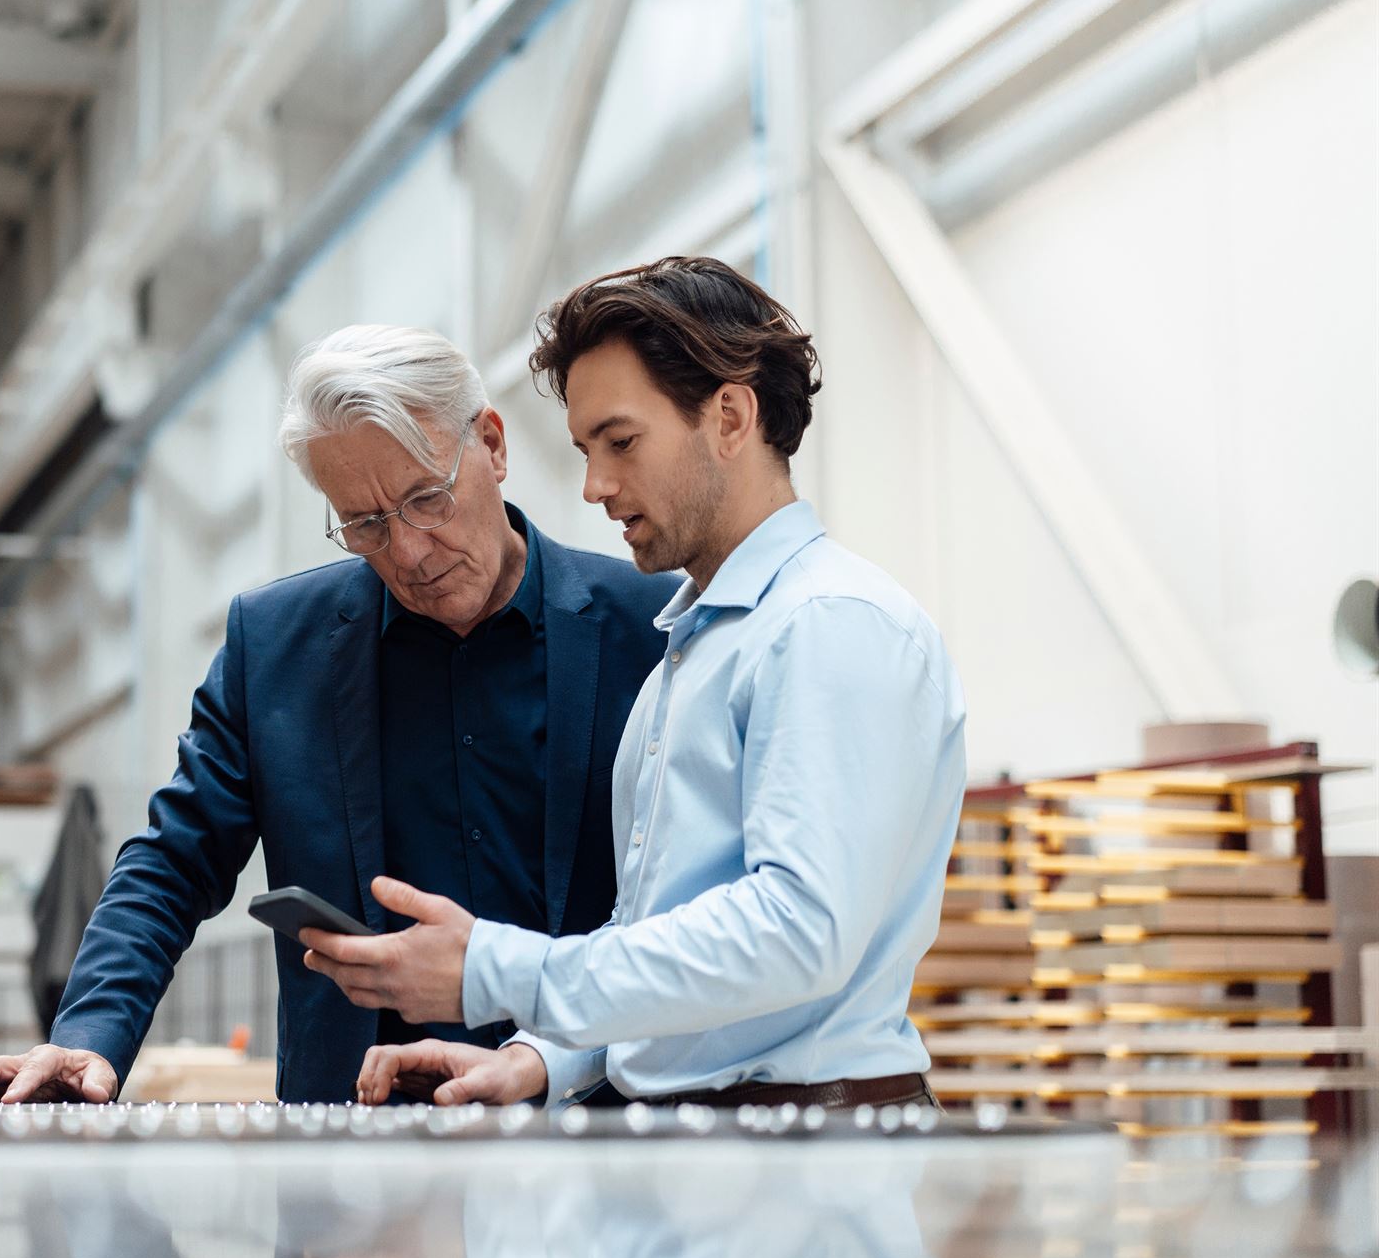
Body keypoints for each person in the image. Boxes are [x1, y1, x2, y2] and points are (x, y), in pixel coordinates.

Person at [0, 325, 678, 1105]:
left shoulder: (652, 628)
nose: (410, 551)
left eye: (428, 497)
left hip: (593, 1135)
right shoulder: (278, 647)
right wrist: (86, 1037)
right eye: (365, 524)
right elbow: (172, 861)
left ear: (492, 445)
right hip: (354, 1157)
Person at [304, 258, 967, 1112]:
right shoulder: (689, 658)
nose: (595, 486)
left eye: (620, 443)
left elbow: (799, 931)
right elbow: (661, 947)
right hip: (718, 1149)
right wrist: (543, 1057)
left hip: (809, 1145)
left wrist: (497, 968)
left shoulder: (828, 624)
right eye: (587, 451)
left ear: (730, 415)